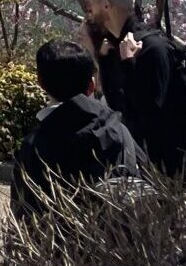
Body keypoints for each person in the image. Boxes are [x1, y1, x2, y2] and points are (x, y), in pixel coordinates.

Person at [76, 0, 186, 175]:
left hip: (163, 167)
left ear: (106, 6)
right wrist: (106, 61)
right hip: (134, 160)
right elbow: (117, 107)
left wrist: (128, 63)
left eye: (91, 3)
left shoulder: (151, 48)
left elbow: (149, 113)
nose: (88, 10)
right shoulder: (117, 45)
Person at [12, 39, 139, 219]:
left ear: (40, 82)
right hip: (116, 243)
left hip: (56, 244)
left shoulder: (35, 146)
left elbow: (24, 215)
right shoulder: (118, 131)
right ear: (91, 85)